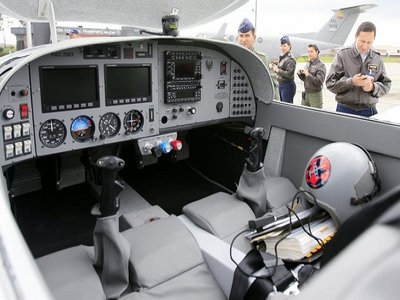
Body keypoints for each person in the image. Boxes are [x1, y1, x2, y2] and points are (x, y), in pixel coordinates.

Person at [326, 21, 391, 117]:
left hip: (369, 111)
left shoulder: (377, 58)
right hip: (345, 110)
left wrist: (373, 87)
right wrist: (351, 82)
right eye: (362, 41)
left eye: (369, 42)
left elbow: (386, 84)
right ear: (356, 36)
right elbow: (330, 83)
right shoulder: (342, 55)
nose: (365, 46)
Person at [237, 18, 280, 100]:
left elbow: (273, 86)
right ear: (237, 38)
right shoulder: (232, 57)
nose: (243, 39)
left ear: (254, 37)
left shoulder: (262, 59)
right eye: (241, 36)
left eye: (247, 35)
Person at [297, 44, 326, 109]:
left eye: (311, 51)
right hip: (306, 94)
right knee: (303, 115)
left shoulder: (321, 66)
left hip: (315, 95)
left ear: (317, 52)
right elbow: (305, 79)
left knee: (316, 116)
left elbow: (319, 81)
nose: (309, 53)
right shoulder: (307, 64)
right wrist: (300, 75)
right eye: (308, 52)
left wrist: (308, 74)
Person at [272, 36, 296, 103]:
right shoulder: (283, 57)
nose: (282, 48)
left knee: (287, 108)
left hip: (287, 85)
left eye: (284, 46)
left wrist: (277, 70)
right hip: (281, 84)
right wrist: (275, 67)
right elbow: (282, 67)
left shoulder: (290, 59)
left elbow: (289, 74)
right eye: (281, 46)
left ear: (289, 46)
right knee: (283, 106)